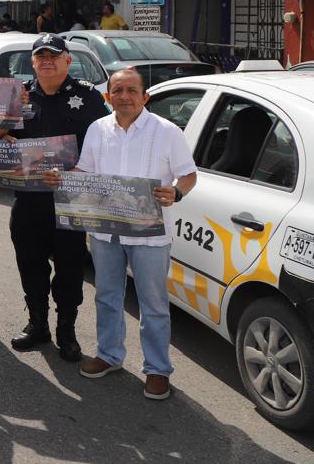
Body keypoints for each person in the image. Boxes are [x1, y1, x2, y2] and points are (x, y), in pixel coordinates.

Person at [67, 68, 196, 400]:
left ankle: (157, 369)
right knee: (107, 295)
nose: (124, 96)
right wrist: (66, 179)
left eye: (131, 90)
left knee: (153, 304)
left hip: (150, 235)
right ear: (108, 96)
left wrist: (176, 193)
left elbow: (188, 175)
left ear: (145, 96)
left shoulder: (167, 132)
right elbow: (86, 170)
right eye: (117, 90)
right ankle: (109, 355)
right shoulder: (97, 129)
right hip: (106, 232)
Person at [0, 34, 107, 361]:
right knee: (30, 264)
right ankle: (38, 323)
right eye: (40, 55)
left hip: (72, 199)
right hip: (29, 199)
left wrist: (76, 173)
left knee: (71, 268)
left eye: (54, 55)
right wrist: (6, 141)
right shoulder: (19, 96)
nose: (47, 60)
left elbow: (104, 145)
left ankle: (66, 329)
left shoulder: (87, 97)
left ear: (67, 60)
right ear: (32, 61)